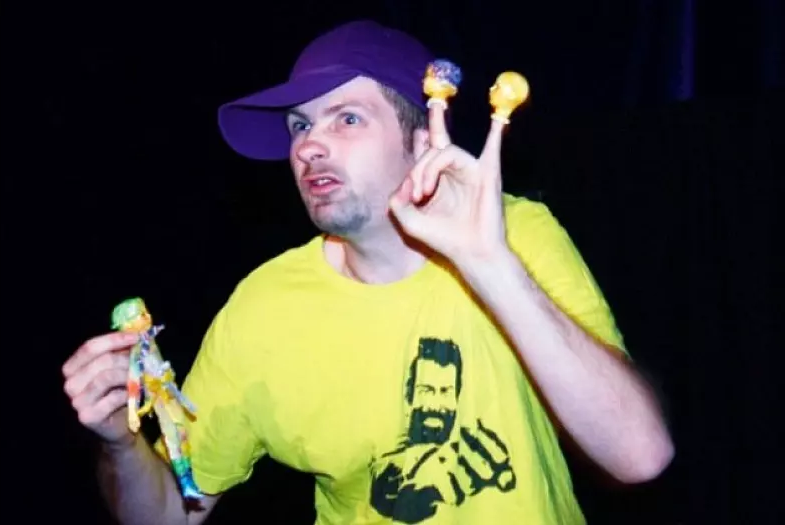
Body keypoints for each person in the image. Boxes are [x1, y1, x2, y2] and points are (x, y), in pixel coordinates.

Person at [61, 19, 674, 525]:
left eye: (346, 118)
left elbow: (640, 454)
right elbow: (170, 513)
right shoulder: (264, 309)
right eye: (300, 125)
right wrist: (121, 444)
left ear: (422, 140)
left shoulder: (517, 236)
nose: (307, 145)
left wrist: (490, 264)